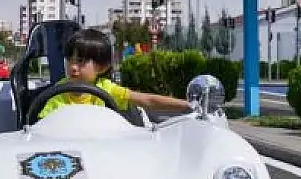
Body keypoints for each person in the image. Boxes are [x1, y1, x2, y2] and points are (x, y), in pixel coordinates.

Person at [36, 28, 191, 120]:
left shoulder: (107, 90)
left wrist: (188, 106)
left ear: (102, 67)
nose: (73, 67)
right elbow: (44, 127)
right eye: (70, 60)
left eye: (81, 61)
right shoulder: (58, 93)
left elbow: (147, 100)